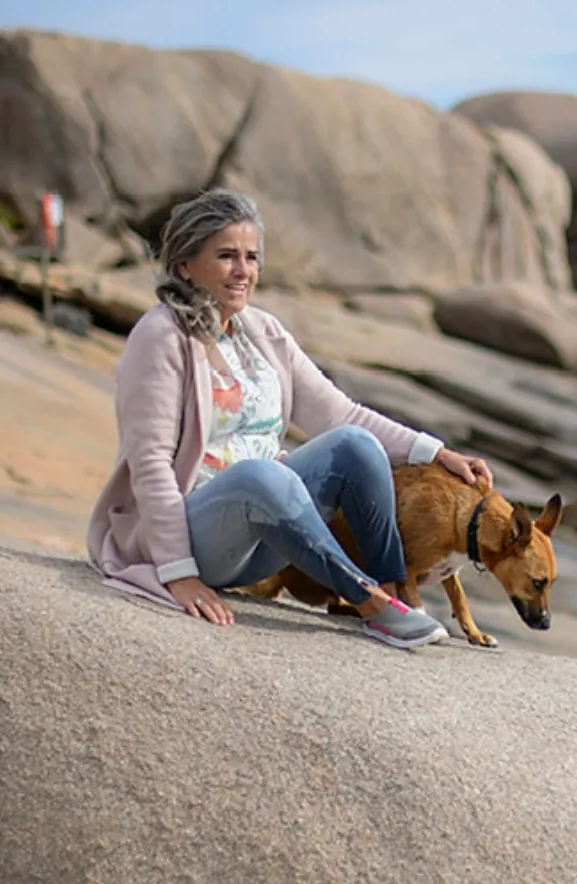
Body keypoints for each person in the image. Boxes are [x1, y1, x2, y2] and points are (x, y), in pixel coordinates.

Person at [85, 188, 492, 649]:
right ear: (185, 265)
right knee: (260, 476)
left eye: (251, 257)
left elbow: (340, 414)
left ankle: (397, 591)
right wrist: (179, 574)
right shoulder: (160, 336)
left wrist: (436, 452)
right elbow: (151, 460)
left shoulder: (262, 330)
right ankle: (370, 603)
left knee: (353, 444)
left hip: (269, 535)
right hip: (196, 539)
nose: (243, 272)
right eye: (226, 257)